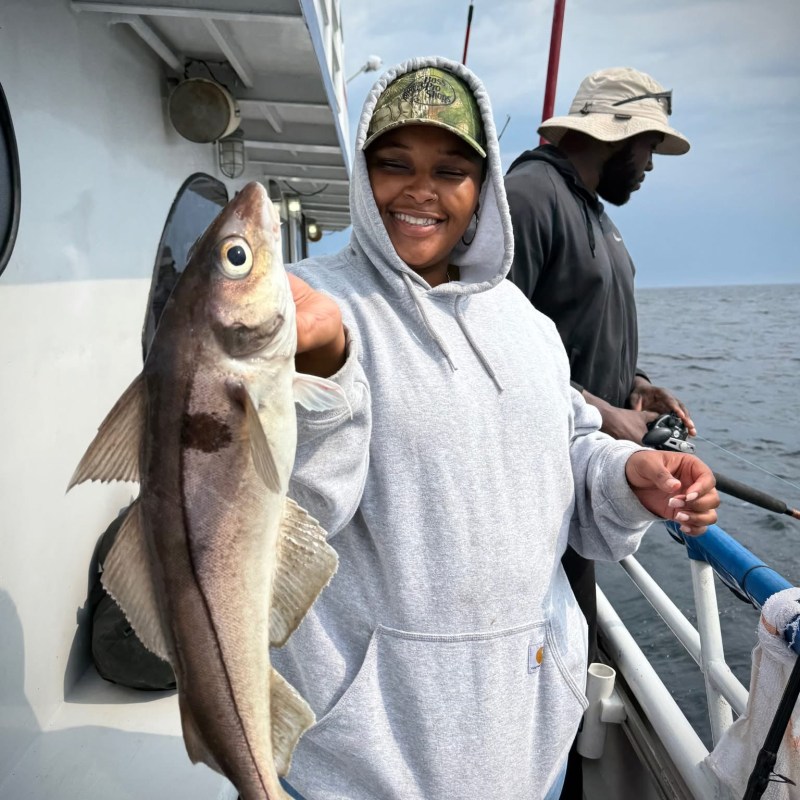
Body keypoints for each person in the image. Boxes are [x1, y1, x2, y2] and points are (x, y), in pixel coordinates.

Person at [273, 57, 718, 800]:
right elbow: (285, 518)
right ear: (361, 173)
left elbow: (566, 448)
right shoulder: (309, 306)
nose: (420, 189)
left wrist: (623, 476)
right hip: (358, 767)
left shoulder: (530, 328)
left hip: (526, 755)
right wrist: (321, 375)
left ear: (481, 189)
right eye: (393, 163)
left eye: (451, 168)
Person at [504, 67, 696, 797]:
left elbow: (575, 330)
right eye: (646, 147)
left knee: (566, 658)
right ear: (613, 135)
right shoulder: (531, 197)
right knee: (535, 668)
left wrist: (638, 388)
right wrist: (599, 409)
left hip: (583, 491)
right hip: (537, 495)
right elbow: (483, 342)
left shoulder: (590, 209)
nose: (648, 166)